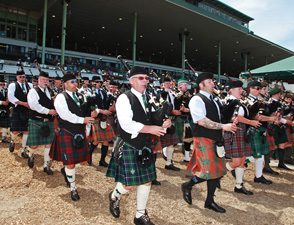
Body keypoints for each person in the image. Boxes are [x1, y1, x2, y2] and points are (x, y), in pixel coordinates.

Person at [106, 66, 171, 225]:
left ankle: (140, 215)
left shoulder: (148, 97)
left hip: (145, 145)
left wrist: (164, 122)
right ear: (131, 81)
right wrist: (150, 129)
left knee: (146, 181)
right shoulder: (124, 98)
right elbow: (126, 123)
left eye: (147, 78)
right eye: (141, 78)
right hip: (130, 144)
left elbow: (152, 118)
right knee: (129, 185)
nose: (145, 81)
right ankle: (115, 195)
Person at [181, 72, 237, 213]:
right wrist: (223, 127)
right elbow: (201, 121)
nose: (213, 83)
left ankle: (209, 201)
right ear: (201, 85)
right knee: (208, 171)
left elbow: (220, 118)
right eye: (210, 81)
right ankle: (187, 185)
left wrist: (230, 120)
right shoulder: (196, 100)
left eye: (213, 81)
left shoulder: (215, 100)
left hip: (217, 139)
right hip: (203, 138)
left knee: (217, 171)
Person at [50, 72, 95, 201]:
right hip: (68, 133)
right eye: (72, 82)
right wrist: (83, 120)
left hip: (79, 133)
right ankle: (73, 188)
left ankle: (67, 172)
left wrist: (94, 111)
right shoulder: (60, 97)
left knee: (77, 161)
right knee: (70, 164)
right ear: (65, 84)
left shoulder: (79, 96)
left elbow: (85, 111)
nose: (75, 84)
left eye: (76, 82)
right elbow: (65, 115)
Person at [222, 80, 261, 195]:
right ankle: (217, 176)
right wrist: (251, 122)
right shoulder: (228, 101)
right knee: (236, 161)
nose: (241, 90)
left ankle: (239, 185)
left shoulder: (239, 101)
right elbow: (237, 117)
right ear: (231, 90)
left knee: (242, 160)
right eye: (238, 89)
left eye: (241, 88)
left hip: (242, 131)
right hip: (234, 132)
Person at [245, 81, 276, 185]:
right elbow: (257, 117)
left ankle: (258, 176)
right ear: (250, 88)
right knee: (253, 155)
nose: (260, 90)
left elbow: (262, 115)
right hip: (252, 129)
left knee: (260, 155)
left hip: (260, 129)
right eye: (257, 88)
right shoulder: (247, 101)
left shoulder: (259, 100)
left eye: (260, 88)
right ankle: (238, 165)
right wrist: (271, 118)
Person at [26, 71, 57, 174]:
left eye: (46, 80)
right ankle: (30, 155)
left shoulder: (49, 91)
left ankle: (46, 166)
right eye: (43, 79)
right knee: (34, 145)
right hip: (36, 120)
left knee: (48, 144)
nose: (45, 81)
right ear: (38, 80)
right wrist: (48, 111)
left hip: (49, 121)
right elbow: (34, 105)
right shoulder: (32, 91)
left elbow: (51, 103)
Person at [8, 70, 33, 158]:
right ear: (17, 77)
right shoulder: (12, 85)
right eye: (20, 77)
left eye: (24, 77)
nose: (22, 79)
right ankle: (12, 141)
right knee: (15, 131)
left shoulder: (30, 85)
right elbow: (11, 97)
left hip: (27, 111)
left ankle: (23, 150)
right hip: (18, 109)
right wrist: (23, 103)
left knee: (26, 130)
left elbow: (33, 96)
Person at [0, 75, 10, 143]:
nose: (2, 85)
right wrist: (1, 102)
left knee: (5, 124)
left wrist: (8, 101)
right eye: (1, 84)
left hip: (5, 110)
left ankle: (4, 138)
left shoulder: (7, 91)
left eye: (3, 84)